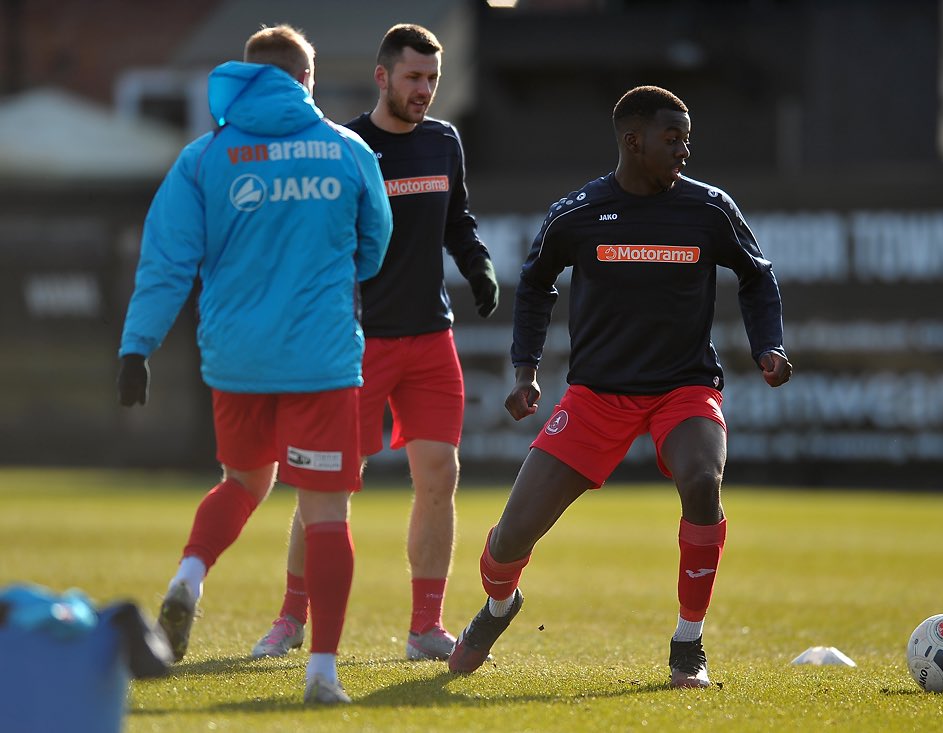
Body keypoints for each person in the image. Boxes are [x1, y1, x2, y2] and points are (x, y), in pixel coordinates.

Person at [446, 86, 793, 688]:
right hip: (596, 396)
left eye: (687, 137)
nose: (685, 149)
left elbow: (757, 279)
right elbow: (534, 286)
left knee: (703, 479)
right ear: (633, 142)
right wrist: (526, 370)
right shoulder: (580, 213)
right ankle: (500, 606)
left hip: (683, 389)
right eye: (672, 138)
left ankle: (689, 642)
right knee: (508, 542)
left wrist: (769, 346)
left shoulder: (709, 209)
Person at [116, 24, 392, 705]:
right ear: (307, 82)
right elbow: (375, 246)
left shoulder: (205, 156)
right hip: (320, 359)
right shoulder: (346, 149)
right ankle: (322, 672)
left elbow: (167, 259)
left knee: (243, 479)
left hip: (235, 359)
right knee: (326, 512)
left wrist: (136, 346)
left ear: (245, 77)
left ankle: (190, 571)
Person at [249, 23, 498, 663]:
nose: (425, 91)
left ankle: (424, 629)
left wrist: (477, 266)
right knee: (326, 484)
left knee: (440, 475)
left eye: (433, 80)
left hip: (430, 341)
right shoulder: (345, 147)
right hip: (357, 344)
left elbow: (458, 223)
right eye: (414, 78)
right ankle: (290, 621)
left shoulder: (444, 142)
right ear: (382, 77)